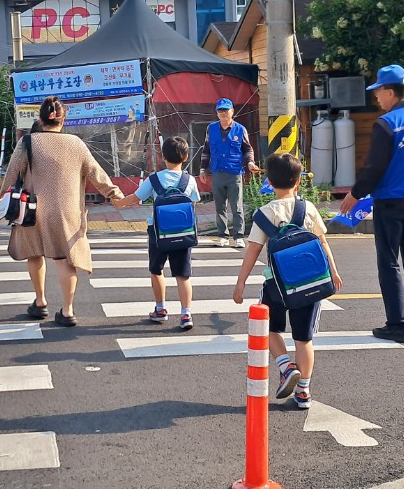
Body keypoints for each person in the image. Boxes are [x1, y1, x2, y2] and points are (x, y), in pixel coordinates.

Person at [340, 65, 404, 344]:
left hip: (390, 200)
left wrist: (356, 194)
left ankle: (398, 324)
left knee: (389, 262)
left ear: (390, 91)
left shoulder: (388, 123)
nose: (376, 98)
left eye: (378, 92)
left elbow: (375, 167)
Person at [232, 153, 342, 410]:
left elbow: (253, 251)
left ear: (269, 182)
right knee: (304, 339)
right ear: (298, 182)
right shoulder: (308, 208)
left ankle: (284, 365)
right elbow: (323, 243)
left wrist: (240, 284)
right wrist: (334, 273)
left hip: (276, 286)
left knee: (268, 328)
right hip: (310, 282)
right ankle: (303, 390)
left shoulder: (264, 214)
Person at [1, 97, 125, 327]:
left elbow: (11, 175)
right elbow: (96, 173)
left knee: (34, 253)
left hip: (32, 211)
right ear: (63, 119)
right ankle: (68, 311)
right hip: (66, 213)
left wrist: (3, 200)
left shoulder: (27, 142)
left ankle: (40, 302)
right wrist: (114, 194)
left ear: (40, 117)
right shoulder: (76, 143)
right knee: (64, 259)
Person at [117, 136, 202, 331]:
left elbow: (135, 198)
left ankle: (161, 309)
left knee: (156, 270)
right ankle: (186, 313)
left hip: (158, 232)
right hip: (183, 233)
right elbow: (194, 203)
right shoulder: (190, 180)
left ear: (163, 157)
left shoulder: (154, 179)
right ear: (186, 157)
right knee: (183, 275)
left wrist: (118, 202)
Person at [199, 98, 259, 248]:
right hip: (217, 172)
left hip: (234, 173)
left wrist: (250, 162)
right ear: (217, 113)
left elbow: (247, 149)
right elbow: (206, 150)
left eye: (226, 110)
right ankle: (222, 235)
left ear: (232, 111)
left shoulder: (240, 129)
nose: (223, 113)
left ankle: (238, 236)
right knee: (220, 206)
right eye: (220, 111)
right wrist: (202, 169)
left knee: (237, 207)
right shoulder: (211, 129)